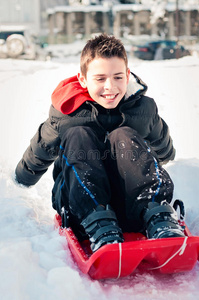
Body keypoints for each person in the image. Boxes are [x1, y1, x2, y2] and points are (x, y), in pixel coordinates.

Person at [15, 34, 185, 252]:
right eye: (100, 78)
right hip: (82, 211)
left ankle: (158, 215)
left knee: (123, 135)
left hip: (131, 205)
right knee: (78, 135)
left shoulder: (142, 109)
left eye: (117, 77)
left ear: (127, 75)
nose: (110, 87)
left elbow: (163, 150)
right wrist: (20, 182)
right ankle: (98, 222)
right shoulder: (68, 113)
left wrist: (147, 158)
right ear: (83, 79)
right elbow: (40, 150)